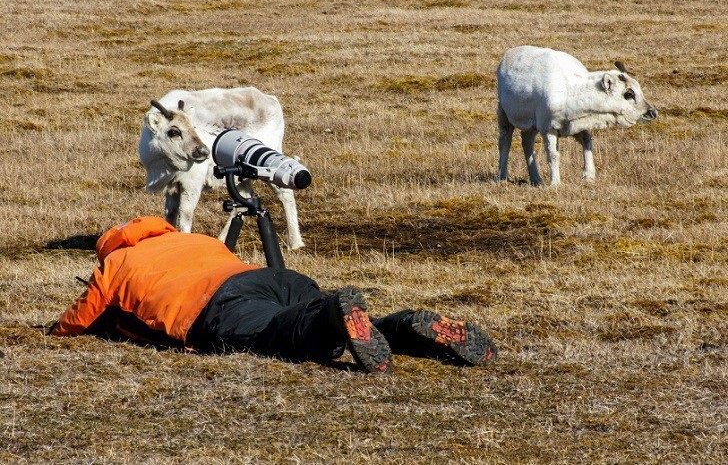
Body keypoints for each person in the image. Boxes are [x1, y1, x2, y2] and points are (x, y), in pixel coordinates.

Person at [51, 217, 497, 373]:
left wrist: (53, 331)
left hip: (218, 306)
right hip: (271, 278)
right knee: (328, 321)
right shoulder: (194, 238)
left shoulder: (115, 263)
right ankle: (400, 326)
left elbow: (80, 318)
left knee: (282, 335)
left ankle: (332, 316)